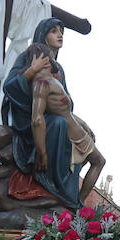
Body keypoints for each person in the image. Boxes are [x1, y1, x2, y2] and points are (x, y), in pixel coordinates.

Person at [2, 18, 92, 210]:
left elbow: (67, 103)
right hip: (29, 120)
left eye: (61, 31)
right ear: (43, 35)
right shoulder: (28, 57)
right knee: (59, 124)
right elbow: (9, 87)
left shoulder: (58, 69)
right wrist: (32, 70)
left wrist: (82, 124)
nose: (59, 35)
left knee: (79, 135)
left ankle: (70, 194)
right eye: (53, 31)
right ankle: (48, 179)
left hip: (55, 117)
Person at [23, 42, 105, 205]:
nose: (54, 58)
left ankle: (76, 200)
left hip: (76, 129)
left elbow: (63, 110)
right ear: (43, 58)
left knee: (90, 163)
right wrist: (42, 153)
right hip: (73, 135)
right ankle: (78, 203)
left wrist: (82, 123)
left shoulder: (49, 80)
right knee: (99, 161)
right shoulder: (42, 83)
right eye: (50, 55)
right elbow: (37, 119)